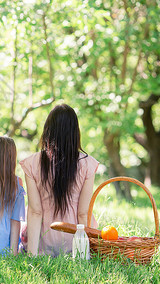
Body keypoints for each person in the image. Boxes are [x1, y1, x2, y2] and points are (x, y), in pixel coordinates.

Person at [20, 104, 99, 257]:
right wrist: (87, 251)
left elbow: (35, 211)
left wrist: (32, 255)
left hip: (43, 244)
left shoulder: (32, 163)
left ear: (48, 130)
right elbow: (83, 213)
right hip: (75, 244)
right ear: (75, 132)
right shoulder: (87, 164)